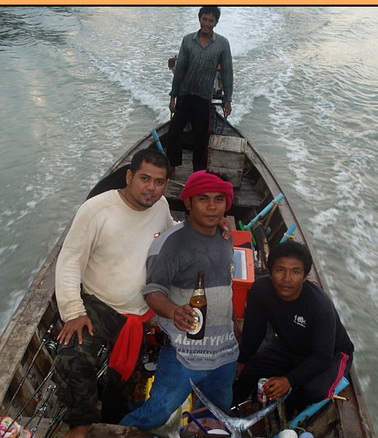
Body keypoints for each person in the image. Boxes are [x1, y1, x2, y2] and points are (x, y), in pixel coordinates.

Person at [54, 148, 175, 438]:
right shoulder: (97, 210)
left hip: (141, 310)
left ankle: (113, 417)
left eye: (159, 182)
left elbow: (174, 235)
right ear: (130, 176)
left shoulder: (161, 208)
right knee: (72, 356)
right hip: (100, 304)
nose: (151, 188)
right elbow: (69, 261)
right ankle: (81, 421)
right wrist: (74, 312)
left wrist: (209, 225)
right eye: (144, 178)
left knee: (123, 379)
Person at [120, 170, 240, 431]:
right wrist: (174, 311)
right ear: (188, 203)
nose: (212, 207)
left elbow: (226, 289)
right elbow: (153, 291)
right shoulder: (171, 244)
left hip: (223, 353)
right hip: (183, 353)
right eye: (203, 199)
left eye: (219, 199)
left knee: (214, 416)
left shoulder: (225, 237)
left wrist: (235, 335)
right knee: (157, 413)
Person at [232, 240, 354, 410]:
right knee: (248, 371)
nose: (286, 279)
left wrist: (289, 380)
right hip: (290, 345)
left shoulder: (320, 307)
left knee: (312, 391)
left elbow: (322, 356)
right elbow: (254, 332)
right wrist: (242, 361)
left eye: (295, 272)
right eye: (280, 270)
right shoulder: (261, 290)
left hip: (332, 353)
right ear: (270, 271)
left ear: (305, 276)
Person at [167, 6, 233, 175]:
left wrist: (228, 99)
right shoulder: (188, 40)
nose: (207, 23)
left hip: (203, 97)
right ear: (199, 19)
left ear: (216, 23)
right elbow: (180, 69)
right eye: (204, 19)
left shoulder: (222, 44)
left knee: (201, 137)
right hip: (184, 94)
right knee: (174, 131)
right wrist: (173, 96)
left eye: (211, 20)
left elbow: (226, 72)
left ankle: (198, 172)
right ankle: (172, 165)